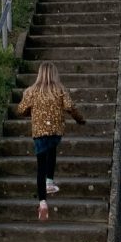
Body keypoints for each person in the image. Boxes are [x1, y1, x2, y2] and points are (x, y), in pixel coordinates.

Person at [17, 60, 86, 221]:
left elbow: (20, 109)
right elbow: (70, 107)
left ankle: (42, 203)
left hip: (39, 132)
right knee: (52, 151)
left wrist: (29, 108)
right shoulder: (60, 89)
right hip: (55, 131)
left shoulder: (32, 91)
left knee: (41, 164)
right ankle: (50, 181)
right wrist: (79, 120)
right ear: (55, 74)